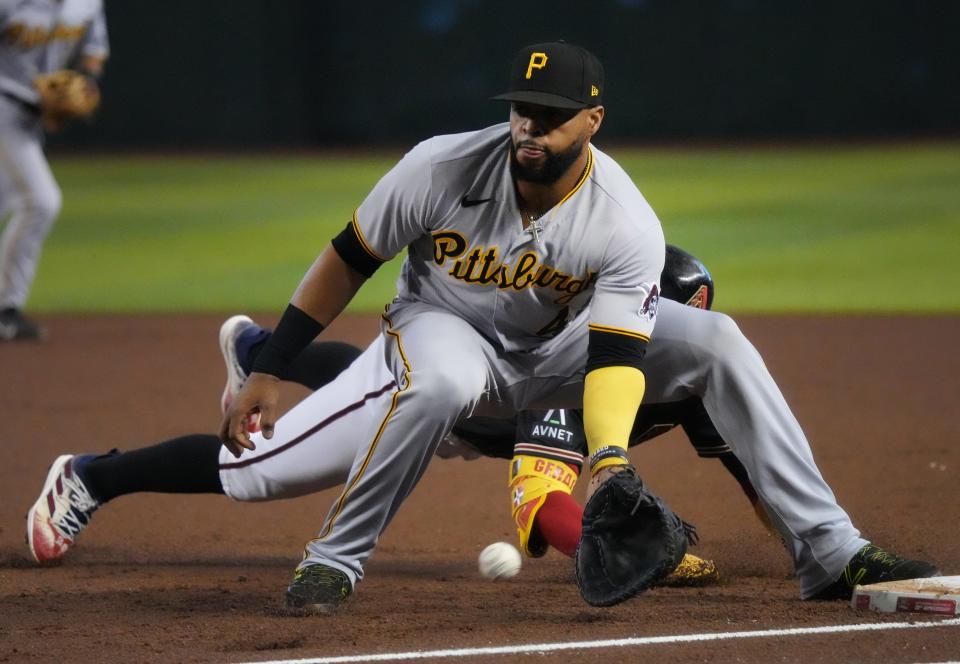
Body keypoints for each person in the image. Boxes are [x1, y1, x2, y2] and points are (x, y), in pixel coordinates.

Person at [31, 41, 938, 614]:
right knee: (261, 470)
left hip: (552, 359)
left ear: (593, 120)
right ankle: (100, 477)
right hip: (437, 340)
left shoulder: (623, 220)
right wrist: (273, 361)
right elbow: (349, 256)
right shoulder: (440, 167)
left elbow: (618, 355)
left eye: (550, 115)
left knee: (719, 340)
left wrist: (612, 459)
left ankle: (833, 553)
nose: (529, 126)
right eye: (520, 109)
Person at [26, 246, 734, 591]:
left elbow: (743, 453)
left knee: (365, 380)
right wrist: (635, 550)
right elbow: (545, 505)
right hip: (433, 386)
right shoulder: (574, 367)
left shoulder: (682, 372)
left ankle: (255, 349)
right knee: (257, 469)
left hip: (463, 404)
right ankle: (91, 477)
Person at [0, 0, 108, 341]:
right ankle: (6, 308)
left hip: (31, 121)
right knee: (42, 200)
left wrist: (87, 77)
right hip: (3, 104)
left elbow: (94, 50)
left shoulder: (87, 3)